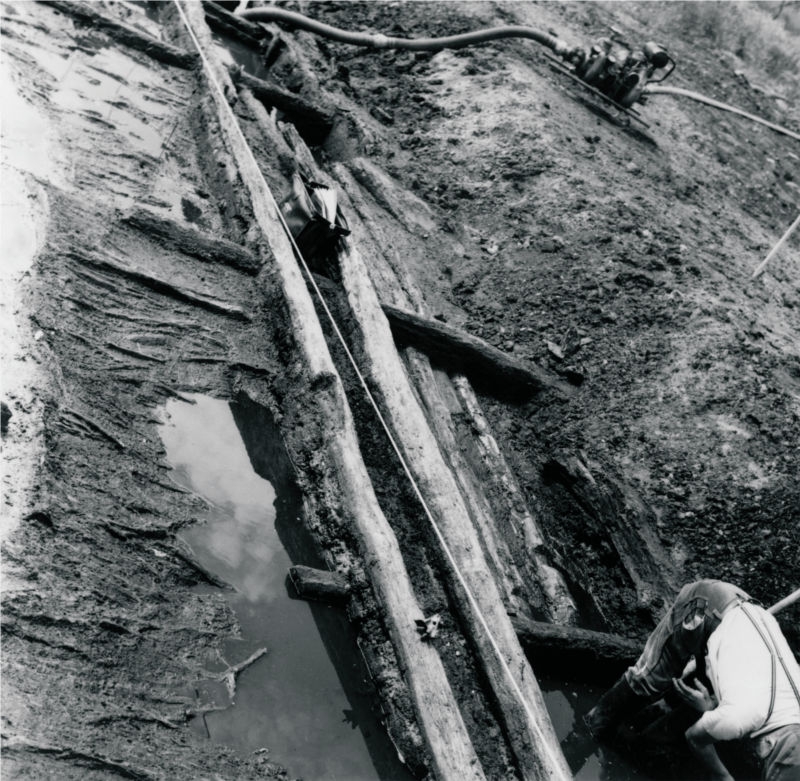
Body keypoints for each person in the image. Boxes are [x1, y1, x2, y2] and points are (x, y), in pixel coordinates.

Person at [586, 580, 800, 780]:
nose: (760, 755)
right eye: (765, 754)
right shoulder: (741, 715)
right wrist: (724, 776)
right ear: (770, 742)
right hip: (708, 605)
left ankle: (650, 739)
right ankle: (594, 725)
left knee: (701, 701)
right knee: (649, 680)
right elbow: (695, 738)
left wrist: (710, 710)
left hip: (748, 623)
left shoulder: (754, 714)